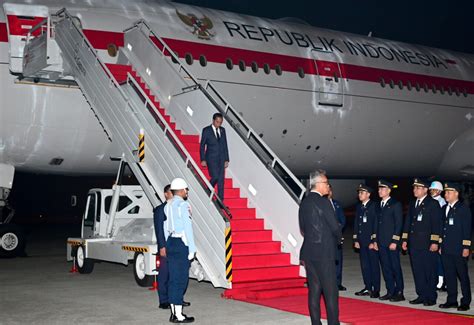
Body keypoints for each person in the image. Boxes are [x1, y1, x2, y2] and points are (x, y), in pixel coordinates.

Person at [299, 169, 341, 325]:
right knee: (330, 293)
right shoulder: (323, 202)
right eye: (326, 183)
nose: (328, 186)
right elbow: (335, 227)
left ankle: (316, 323)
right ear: (318, 184)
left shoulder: (304, 202)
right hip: (324, 253)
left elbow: (302, 227)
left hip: (309, 252)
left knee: (314, 292)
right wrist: (339, 239)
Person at [402, 178, 442, 307]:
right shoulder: (413, 203)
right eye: (414, 188)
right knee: (417, 270)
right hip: (414, 243)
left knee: (429, 270)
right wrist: (404, 239)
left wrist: (435, 242)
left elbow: (437, 224)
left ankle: (431, 296)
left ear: (425, 189)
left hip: (427, 243)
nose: (415, 190)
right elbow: (408, 222)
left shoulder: (433, 204)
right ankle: (421, 294)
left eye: (418, 188)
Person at [153, 185, 192, 310]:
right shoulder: (160, 209)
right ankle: (164, 300)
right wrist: (162, 246)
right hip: (167, 246)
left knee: (178, 275)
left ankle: (177, 299)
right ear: (166, 194)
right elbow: (159, 229)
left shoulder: (178, 208)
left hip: (177, 244)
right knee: (165, 274)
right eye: (171, 193)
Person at [164, 178, 196, 323]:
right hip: (181, 243)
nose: (187, 191)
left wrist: (166, 244)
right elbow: (188, 228)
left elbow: (165, 227)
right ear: (182, 190)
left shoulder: (168, 205)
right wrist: (192, 248)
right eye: (186, 189)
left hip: (171, 242)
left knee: (173, 279)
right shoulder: (183, 205)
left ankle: (173, 312)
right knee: (180, 280)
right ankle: (179, 315)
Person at [439, 182, 472, 311]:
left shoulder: (463, 208)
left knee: (462, 276)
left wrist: (466, 247)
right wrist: (441, 244)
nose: (446, 194)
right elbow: (443, 228)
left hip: (459, 248)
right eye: (445, 192)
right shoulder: (444, 208)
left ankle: (465, 301)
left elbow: (467, 230)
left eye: (448, 192)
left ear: (456, 193)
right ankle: (451, 300)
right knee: (449, 275)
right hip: (446, 248)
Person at [375, 179, 405, 302]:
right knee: (386, 267)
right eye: (379, 189)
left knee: (395, 267)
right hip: (381, 242)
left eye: (382, 189)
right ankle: (390, 290)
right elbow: (377, 224)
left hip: (391, 242)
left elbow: (399, 224)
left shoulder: (395, 204)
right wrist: (375, 240)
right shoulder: (379, 205)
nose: (379, 191)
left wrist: (395, 241)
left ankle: (399, 292)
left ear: (389, 190)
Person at [353, 184, 381, 298]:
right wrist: (356, 239)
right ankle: (368, 287)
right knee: (365, 266)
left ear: (368, 194)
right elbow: (356, 224)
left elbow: (376, 224)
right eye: (359, 193)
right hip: (362, 241)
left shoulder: (374, 206)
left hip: (370, 241)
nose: (359, 195)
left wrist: (373, 240)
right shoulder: (359, 207)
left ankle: (376, 289)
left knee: (374, 265)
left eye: (362, 192)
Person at [200, 113, 229, 201]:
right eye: (217, 122)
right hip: (211, 158)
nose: (219, 124)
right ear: (213, 120)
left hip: (222, 158)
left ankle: (220, 201)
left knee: (221, 181)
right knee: (215, 176)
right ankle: (207, 190)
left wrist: (227, 159)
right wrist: (203, 159)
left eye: (220, 122)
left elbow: (225, 145)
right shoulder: (206, 130)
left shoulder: (223, 130)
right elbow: (202, 145)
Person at [328, 185, 347, 291]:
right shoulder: (322, 204)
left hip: (336, 237)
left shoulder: (337, 204)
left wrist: (337, 228)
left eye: (330, 190)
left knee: (338, 260)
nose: (329, 192)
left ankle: (338, 282)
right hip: (327, 237)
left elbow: (342, 220)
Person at [429, 180, 447, 291]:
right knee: (433, 261)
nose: (432, 191)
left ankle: (442, 282)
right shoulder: (430, 201)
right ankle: (435, 280)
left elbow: (441, 222)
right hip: (430, 236)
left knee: (441, 261)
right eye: (431, 189)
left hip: (438, 236)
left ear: (439, 191)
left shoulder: (442, 202)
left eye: (434, 190)